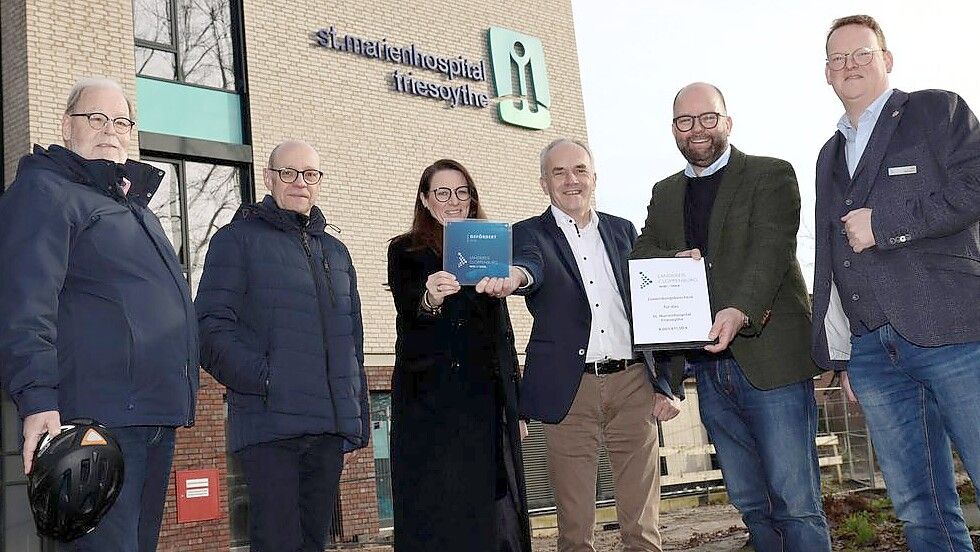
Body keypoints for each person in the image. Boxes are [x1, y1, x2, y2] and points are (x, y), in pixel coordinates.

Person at [0, 77, 198, 552]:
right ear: (67, 126)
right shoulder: (44, 191)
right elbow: (25, 300)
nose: (110, 129)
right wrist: (38, 397)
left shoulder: (134, 209)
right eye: (96, 117)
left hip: (154, 414)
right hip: (95, 417)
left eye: (121, 121)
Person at [631, 82, 830, 552]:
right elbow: (641, 254)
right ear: (674, 129)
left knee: (795, 502)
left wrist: (739, 309)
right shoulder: (665, 193)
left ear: (727, 121)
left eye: (707, 118)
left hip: (771, 365)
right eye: (685, 121)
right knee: (751, 503)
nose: (696, 129)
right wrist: (673, 257)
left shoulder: (770, 174)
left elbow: (771, 250)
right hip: (708, 369)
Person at [814, 15, 980, 551]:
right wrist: (843, 354)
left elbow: (974, 188)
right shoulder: (828, 153)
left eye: (861, 53)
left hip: (955, 334)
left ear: (887, 59)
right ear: (827, 75)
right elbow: (829, 258)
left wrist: (883, 225)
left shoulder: (937, 110)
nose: (850, 66)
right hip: (872, 351)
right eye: (838, 59)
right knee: (917, 508)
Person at [499, 138, 677, 552]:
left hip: (633, 383)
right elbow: (531, 267)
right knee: (575, 528)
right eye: (558, 172)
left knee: (643, 525)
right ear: (544, 183)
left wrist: (664, 382)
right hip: (570, 390)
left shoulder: (623, 230)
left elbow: (647, 308)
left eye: (579, 169)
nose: (571, 180)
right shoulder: (527, 233)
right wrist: (516, 277)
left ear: (594, 177)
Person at [195, 140, 370, 552]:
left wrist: (355, 416)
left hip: (327, 427)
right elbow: (208, 329)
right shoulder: (237, 240)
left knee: (313, 543)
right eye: (289, 173)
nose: (300, 183)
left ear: (319, 182)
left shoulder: (336, 252)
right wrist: (268, 378)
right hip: (269, 423)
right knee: (276, 542)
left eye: (310, 174)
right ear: (269, 178)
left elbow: (353, 342)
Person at [386, 159, 532, 552]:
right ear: (425, 199)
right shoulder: (406, 250)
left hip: (484, 399)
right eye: (442, 193)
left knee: (487, 513)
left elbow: (502, 333)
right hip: (430, 404)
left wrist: (514, 405)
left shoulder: (491, 246)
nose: (454, 201)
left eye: (462, 192)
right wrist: (431, 298)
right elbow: (409, 312)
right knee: (437, 510)